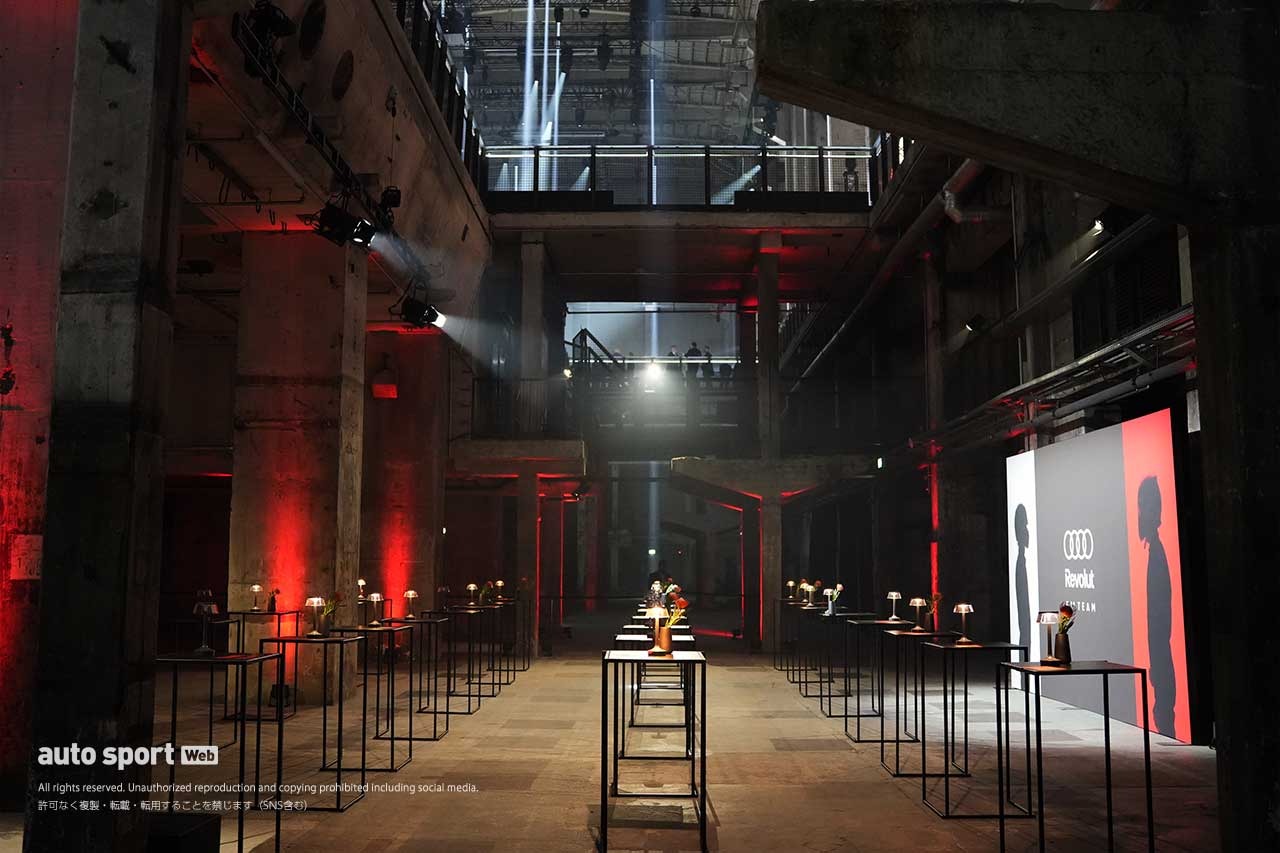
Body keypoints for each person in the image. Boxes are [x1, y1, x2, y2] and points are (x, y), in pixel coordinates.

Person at [1139, 476, 1176, 737]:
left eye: (1146, 505)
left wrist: (1157, 669)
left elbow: (1161, 623)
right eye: (1141, 505)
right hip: (1160, 668)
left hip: (1162, 670)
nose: (1141, 513)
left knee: (1164, 718)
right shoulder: (1153, 552)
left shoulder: (1157, 554)